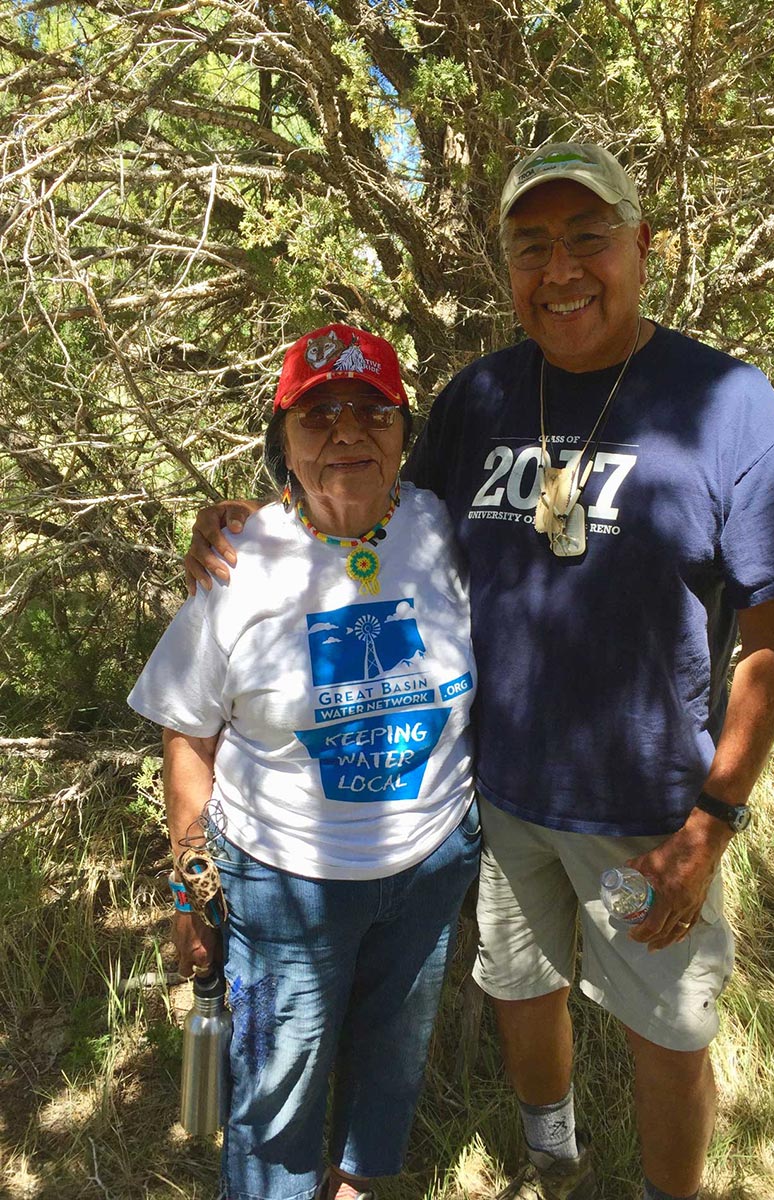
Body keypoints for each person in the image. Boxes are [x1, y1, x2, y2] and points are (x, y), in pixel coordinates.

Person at [185, 145, 774, 1200]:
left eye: (589, 238)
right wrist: (250, 523)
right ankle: (554, 1159)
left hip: (653, 813)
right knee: (520, 989)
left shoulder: (726, 402)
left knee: (668, 1028)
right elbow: (375, 516)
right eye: (534, 246)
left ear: (643, 245)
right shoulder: (482, 395)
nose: (563, 268)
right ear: (507, 266)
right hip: (496, 797)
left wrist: (715, 818)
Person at [130, 324, 481, 1200]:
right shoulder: (236, 562)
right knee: (275, 1095)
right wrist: (189, 888)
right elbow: (186, 730)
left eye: (373, 411)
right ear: (281, 437)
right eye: (318, 415)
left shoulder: (444, 528)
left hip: (431, 865)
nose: (348, 432)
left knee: (392, 1056)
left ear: (405, 432)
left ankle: (355, 1185)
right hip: (286, 886)